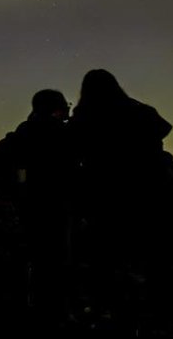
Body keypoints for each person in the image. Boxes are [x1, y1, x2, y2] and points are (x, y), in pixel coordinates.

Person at [67, 69, 173, 315]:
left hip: (104, 195)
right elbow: (162, 131)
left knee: (107, 256)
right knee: (152, 254)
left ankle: (110, 308)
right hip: (148, 191)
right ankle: (155, 309)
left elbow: (72, 153)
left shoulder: (83, 118)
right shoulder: (141, 112)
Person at [0, 89, 77, 318]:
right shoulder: (64, 137)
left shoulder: (20, 137)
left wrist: (8, 197)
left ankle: (27, 314)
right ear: (56, 109)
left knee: (27, 265)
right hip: (54, 212)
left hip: (26, 210)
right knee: (53, 267)